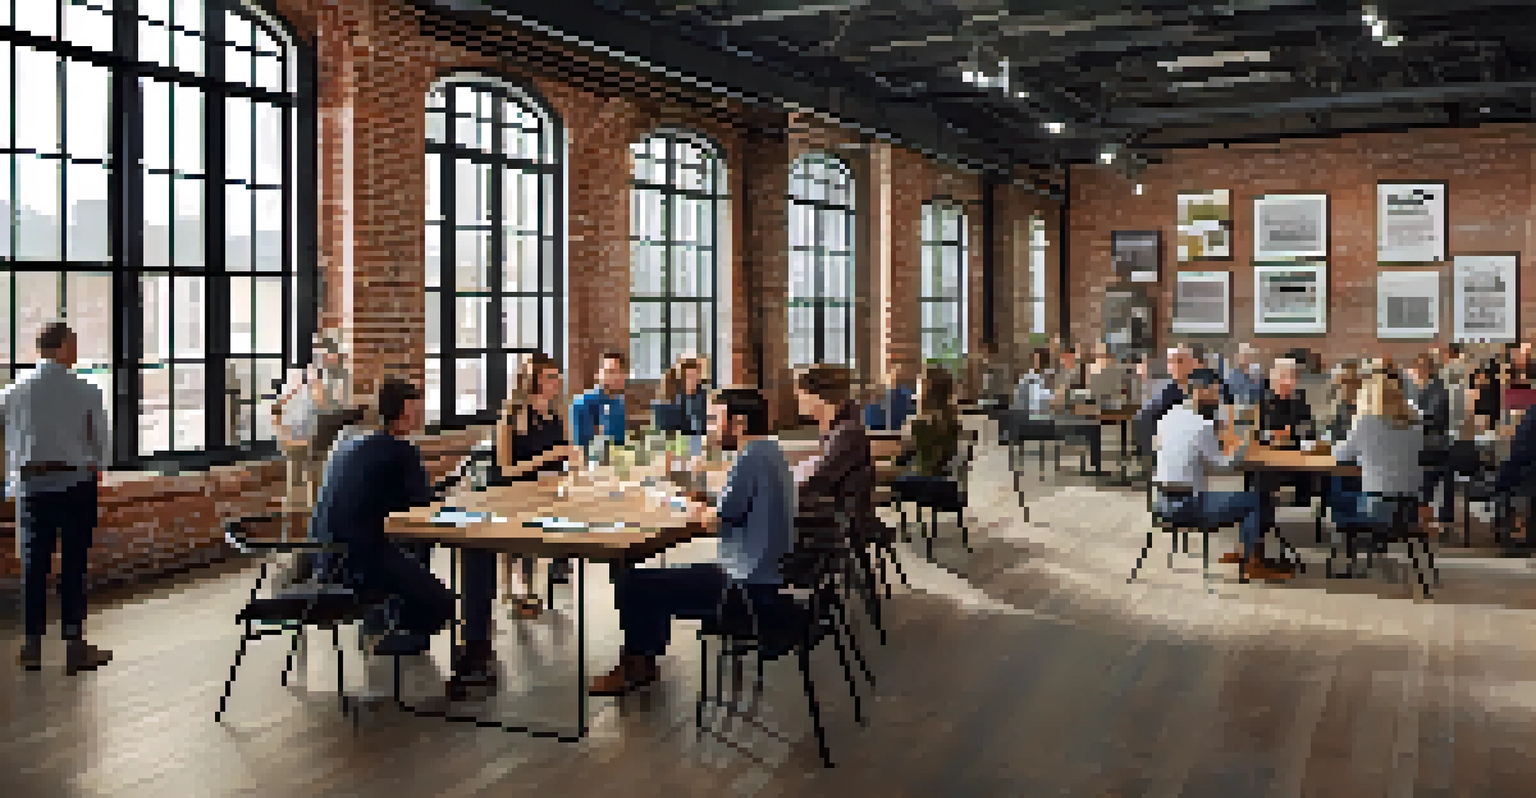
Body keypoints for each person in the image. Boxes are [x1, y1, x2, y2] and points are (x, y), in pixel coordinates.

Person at [589, 388, 796, 696]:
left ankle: (638, 665)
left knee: (633, 583)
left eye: (714, 419)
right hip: (767, 576)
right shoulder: (771, 451)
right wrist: (706, 500)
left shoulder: (750, 459)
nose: (709, 427)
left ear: (738, 422)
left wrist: (690, 506)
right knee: (651, 580)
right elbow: (737, 506)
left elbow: (714, 521)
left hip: (744, 587)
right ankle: (643, 659)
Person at [309, 379, 459, 667]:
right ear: (405, 412)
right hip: (358, 562)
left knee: (408, 550)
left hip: (322, 557)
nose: (419, 415)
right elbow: (424, 505)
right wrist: (450, 492)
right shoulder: (401, 450)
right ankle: (385, 641)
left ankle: (380, 624)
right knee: (443, 604)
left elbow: (385, 495)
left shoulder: (347, 443)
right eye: (416, 409)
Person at [4, 322, 114, 672]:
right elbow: (101, 443)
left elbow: (4, 438)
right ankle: (74, 644)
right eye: (74, 344)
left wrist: (10, 479)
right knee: (74, 564)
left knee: (33, 566)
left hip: (30, 487)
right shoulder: (86, 389)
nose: (77, 352)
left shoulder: (13, 392)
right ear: (63, 346)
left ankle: (32, 645)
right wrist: (97, 467)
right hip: (75, 484)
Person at [1152, 369, 1289, 580]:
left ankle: (1245, 551)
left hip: (1161, 503)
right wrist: (1245, 445)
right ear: (1200, 392)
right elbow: (1223, 465)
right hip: (1188, 508)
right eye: (1215, 393)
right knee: (1258, 499)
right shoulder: (1201, 425)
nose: (1218, 399)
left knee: (1253, 497)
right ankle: (1252, 562)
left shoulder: (1169, 416)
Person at [494, 354, 577, 619]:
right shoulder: (511, 418)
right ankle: (519, 589)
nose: (557, 381)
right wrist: (547, 457)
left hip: (551, 491)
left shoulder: (558, 415)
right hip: (516, 491)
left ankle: (550, 572)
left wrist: (574, 460)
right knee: (524, 521)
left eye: (557, 376)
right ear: (534, 382)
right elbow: (506, 470)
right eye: (551, 377)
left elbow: (568, 455)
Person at [794, 364, 879, 547]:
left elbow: (818, 482)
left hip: (839, 522)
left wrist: (781, 488)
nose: (798, 400)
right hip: (838, 514)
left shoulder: (847, 432)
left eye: (801, 394)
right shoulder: (840, 429)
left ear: (817, 396)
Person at [1331, 372, 1426, 529]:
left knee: (1335, 485)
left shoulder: (1366, 422)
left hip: (1376, 506)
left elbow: (1340, 455)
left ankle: (1343, 533)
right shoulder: (1416, 424)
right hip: (1410, 506)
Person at [274, 330, 352, 511]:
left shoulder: (338, 378)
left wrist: (316, 385)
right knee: (296, 485)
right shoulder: (300, 375)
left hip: (318, 439)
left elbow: (328, 407)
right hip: (295, 437)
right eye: (319, 353)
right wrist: (282, 432)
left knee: (317, 482)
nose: (323, 358)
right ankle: (297, 515)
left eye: (327, 353)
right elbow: (279, 406)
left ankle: (313, 515)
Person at [892, 365, 964, 510]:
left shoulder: (918, 423)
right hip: (947, 483)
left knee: (874, 475)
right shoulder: (952, 419)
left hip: (922, 484)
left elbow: (902, 457)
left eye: (918, 386)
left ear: (925, 392)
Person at [1405, 354, 1453, 528]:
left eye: (1416, 369)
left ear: (1424, 370)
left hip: (1433, 445)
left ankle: (1418, 515)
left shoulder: (1437, 389)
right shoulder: (1430, 389)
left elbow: (1431, 418)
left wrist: (1409, 418)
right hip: (1430, 442)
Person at [1134, 345, 1197, 454]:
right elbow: (1146, 416)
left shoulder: (1203, 387)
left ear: (1192, 363)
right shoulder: (1165, 393)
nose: (1174, 366)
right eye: (1170, 362)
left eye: (1179, 361)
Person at [570, 351, 628, 450]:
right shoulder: (582, 404)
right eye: (611, 372)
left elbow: (619, 444)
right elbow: (581, 448)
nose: (616, 377)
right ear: (599, 374)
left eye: (620, 373)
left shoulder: (619, 402)